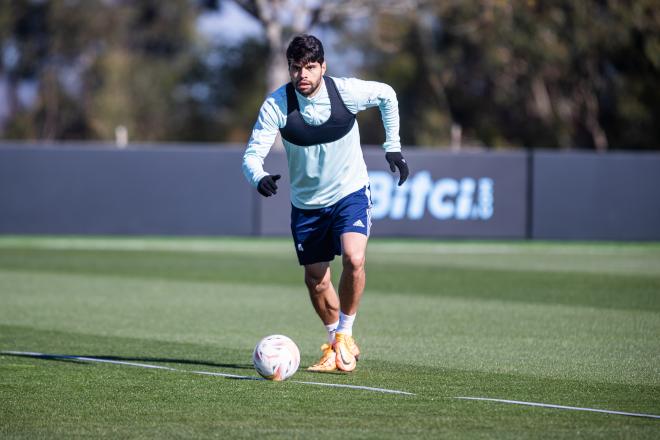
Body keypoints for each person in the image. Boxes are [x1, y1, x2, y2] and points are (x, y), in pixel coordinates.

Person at [242, 34, 408, 372]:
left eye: (310, 67)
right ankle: (336, 343)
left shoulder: (345, 92)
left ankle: (345, 335)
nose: (303, 74)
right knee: (316, 280)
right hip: (307, 204)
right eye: (296, 68)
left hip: (350, 192)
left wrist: (393, 145)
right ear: (289, 69)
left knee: (354, 257)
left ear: (323, 67)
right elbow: (251, 155)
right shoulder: (277, 104)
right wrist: (258, 176)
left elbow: (387, 95)